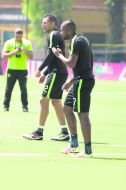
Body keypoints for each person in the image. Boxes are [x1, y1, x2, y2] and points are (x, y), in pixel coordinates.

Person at [52, 20, 95, 157]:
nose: (60, 32)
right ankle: (73, 143)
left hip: (83, 81)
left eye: (62, 30)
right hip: (79, 80)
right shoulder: (83, 39)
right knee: (67, 108)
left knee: (83, 114)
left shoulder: (76, 41)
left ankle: (87, 150)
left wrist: (59, 55)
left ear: (69, 30)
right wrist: (72, 80)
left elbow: (71, 63)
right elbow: (88, 62)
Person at [23, 14, 69, 141]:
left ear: (53, 23)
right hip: (59, 72)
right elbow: (55, 56)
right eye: (42, 22)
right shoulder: (55, 35)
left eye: (45, 22)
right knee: (55, 102)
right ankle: (64, 132)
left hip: (56, 72)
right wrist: (44, 73)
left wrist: (39, 70)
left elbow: (51, 55)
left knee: (44, 100)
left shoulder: (53, 35)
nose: (43, 25)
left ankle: (39, 132)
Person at [2, 28, 33, 112]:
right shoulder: (9, 42)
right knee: (9, 88)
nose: (18, 38)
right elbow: (4, 56)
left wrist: (25, 50)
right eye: (17, 37)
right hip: (11, 69)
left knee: (23, 89)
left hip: (22, 69)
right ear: (14, 35)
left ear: (22, 36)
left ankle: (25, 107)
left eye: (20, 37)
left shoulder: (27, 43)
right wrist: (15, 51)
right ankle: (6, 106)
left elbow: (31, 57)